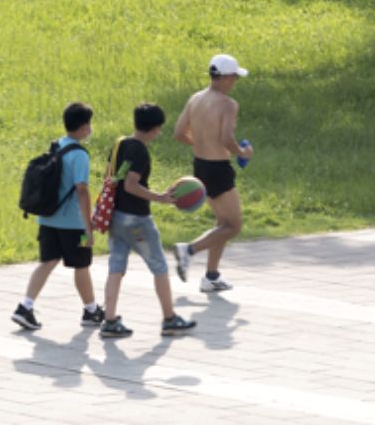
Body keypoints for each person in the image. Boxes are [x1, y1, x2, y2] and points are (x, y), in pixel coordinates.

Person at [100, 103, 197, 338]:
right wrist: (160, 198)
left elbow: (114, 179)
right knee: (159, 266)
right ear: (154, 129)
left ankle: (109, 321)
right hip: (137, 220)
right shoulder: (140, 151)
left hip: (116, 216)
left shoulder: (120, 143)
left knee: (116, 267)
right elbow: (131, 184)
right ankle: (170, 318)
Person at [14, 101, 104, 330]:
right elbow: (82, 191)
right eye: (89, 124)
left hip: (48, 218)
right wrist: (88, 226)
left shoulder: (57, 146)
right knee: (81, 265)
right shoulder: (80, 155)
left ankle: (25, 306)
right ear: (84, 127)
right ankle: (91, 311)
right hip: (74, 223)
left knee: (47, 262)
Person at [173, 54, 253, 293]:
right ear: (226, 77)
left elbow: (178, 133)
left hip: (200, 166)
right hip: (219, 169)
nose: (235, 82)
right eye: (235, 77)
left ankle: (211, 276)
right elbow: (226, 138)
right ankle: (188, 250)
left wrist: (201, 144)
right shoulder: (228, 104)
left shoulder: (195, 99)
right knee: (234, 226)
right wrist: (243, 152)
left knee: (222, 223)